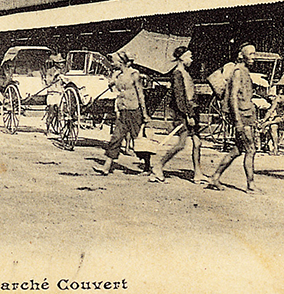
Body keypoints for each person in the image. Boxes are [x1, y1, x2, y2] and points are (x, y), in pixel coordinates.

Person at [207, 42, 259, 192]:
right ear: (242, 56)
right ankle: (251, 185)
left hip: (247, 114)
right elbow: (233, 98)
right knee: (251, 150)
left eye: (254, 54)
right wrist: (237, 121)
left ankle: (215, 177)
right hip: (242, 116)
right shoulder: (238, 72)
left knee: (237, 150)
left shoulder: (244, 71)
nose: (253, 57)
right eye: (251, 54)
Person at [150, 46, 204, 184]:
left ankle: (198, 173)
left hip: (192, 111)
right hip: (183, 114)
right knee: (181, 144)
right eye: (189, 57)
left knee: (197, 143)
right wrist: (188, 115)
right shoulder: (177, 74)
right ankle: (158, 166)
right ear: (182, 58)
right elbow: (179, 97)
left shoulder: (185, 73)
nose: (191, 60)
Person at [94, 51, 152, 175]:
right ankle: (106, 167)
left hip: (134, 111)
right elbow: (112, 86)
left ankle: (147, 166)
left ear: (122, 62)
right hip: (123, 111)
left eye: (114, 61)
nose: (112, 63)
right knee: (116, 138)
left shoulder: (134, 74)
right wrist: (112, 81)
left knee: (138, 140)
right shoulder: (118, 75)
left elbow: (141, 95)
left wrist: (145, 114)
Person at [260, 76, 284, 155]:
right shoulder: (279, 97)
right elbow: (271, 110)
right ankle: (275, 147)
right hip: (280, 117)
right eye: (283, 86)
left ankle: (269, 123)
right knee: (273, 127)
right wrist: (264, 119)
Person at [44, 54, 66, 135]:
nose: (62, 64)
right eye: (60, 63)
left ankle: (61, 129)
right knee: (51, 110)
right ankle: (47, 128)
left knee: (61, 111)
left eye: (62, 63)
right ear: (55, 63)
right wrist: (55, 77)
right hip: (52, 92)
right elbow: (48, 81)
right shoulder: (50, 71)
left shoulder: (63, 71)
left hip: (60, 93)